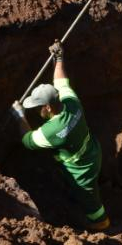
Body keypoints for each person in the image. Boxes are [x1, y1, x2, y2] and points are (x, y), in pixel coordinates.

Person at [11, 40, 109, 231]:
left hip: (81, 171)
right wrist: (59, 58)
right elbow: (61, 82)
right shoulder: (72, 102)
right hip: (92, 151)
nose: (36, 110)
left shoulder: (52, 131)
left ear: (47, 107)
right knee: (89, 182)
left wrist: (19, 116)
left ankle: (100, 224)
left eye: (37, 107)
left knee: (90, 200)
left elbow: (27, 141)